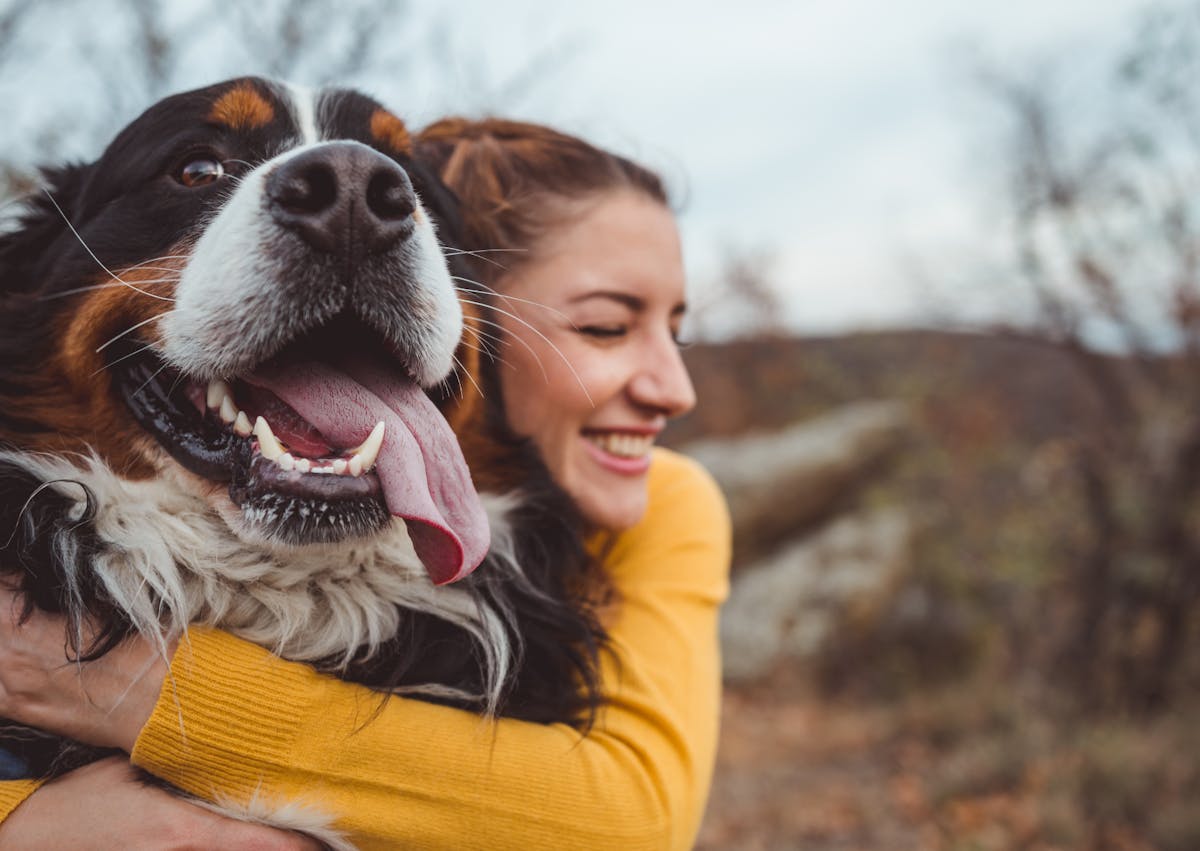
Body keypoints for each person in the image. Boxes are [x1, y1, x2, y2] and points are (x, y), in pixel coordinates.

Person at [0, 118, 731, 850]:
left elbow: (632, 817)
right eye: (605, 327)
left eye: (678, 330)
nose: (677, 389)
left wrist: (134, 690)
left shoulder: (668, 499)